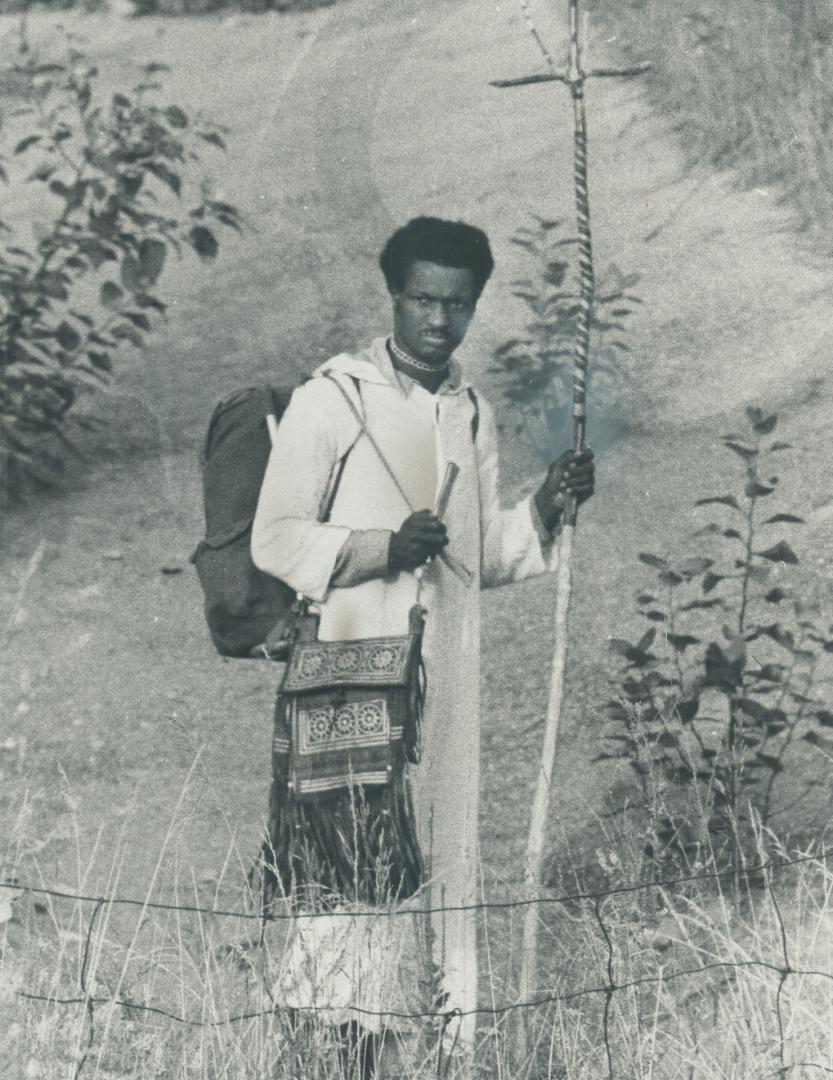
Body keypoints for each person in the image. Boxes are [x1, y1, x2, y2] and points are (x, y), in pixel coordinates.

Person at [251, 216, 594, 1077]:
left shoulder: (467, 411)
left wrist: (547, 506)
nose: (438, 321)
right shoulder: (334, 399)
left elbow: (476, 559)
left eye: (457, 304)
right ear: (393, 296)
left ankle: (429, 1051)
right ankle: (332, 1053)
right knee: (348, 873)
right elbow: (275, 538)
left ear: (474, 306)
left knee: (437, 857)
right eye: (421, 300)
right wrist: (378, 548)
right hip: (348, 675)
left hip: (442, 679)